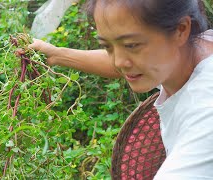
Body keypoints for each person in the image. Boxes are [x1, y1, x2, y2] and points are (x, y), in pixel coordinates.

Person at [29, 0, 213, 179]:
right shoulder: (193, 50)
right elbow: (126, 63)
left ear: (181, 30)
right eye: (107, 46)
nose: (118, 62)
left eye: (131, 45)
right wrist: (55, 54)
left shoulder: (205, 112)